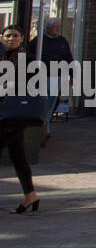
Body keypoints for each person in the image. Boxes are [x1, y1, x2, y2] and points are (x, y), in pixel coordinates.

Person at [0, 26, 40, 213]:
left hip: (15, 115)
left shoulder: (29, 60)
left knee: (18, 156)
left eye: (15, 36)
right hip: (3, 112)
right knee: (18, 156)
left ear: (22, 38)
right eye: (7, 35)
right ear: (1, 37)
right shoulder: (2, 58)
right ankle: (30, 195)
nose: (11, 39)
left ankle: (30, 195)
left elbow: (34, 85)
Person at [30, 17, 74, 136]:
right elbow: (29, 55)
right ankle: (41, 125)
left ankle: (46, 125)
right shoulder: (38, 41)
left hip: (57, 77)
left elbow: (69, 58)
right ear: (48, 28)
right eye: (55, 26)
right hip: (41, 77)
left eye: (59, 26)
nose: (58, 29)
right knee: (43, 101)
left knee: (52, 102)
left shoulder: (62, 41)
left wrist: (72, 75)